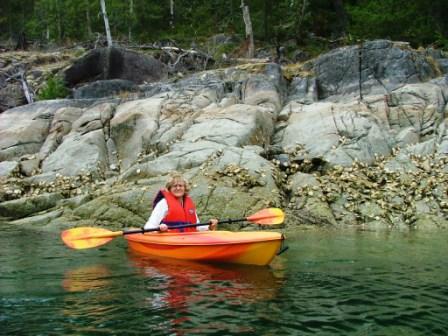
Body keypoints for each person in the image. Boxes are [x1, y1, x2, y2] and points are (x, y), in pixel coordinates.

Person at [144, 172, 218, 232]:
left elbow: (196, 226)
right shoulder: (163, 203)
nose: (178, 188)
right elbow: (149, 226)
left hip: (187, 239)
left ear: (184, 188)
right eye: (175, 186)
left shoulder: (188, 203)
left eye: (180, 186)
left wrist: (209, 226)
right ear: (169, 189)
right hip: (168, 239)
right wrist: (159, 229)